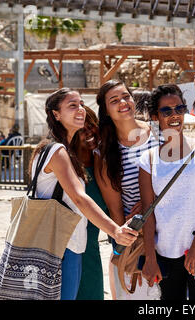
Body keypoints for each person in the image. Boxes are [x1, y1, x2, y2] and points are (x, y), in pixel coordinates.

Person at [28, 88, 138, 300]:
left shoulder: (64, 152)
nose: (79, 109)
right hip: (58, 248)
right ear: (56, 115)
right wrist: (115, 231)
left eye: (80, 104)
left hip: (71, 246)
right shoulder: (56, 151)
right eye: (72, 106)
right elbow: (79, 198)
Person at [139, 84, 195, 300]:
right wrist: (150, 256)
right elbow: (147, 211)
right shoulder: (148, 159)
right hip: (167, 251)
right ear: (155, 116)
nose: (175, 115)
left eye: (179, 109)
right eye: (166, 111)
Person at [94, 80, 161, 300]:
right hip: (139, 235)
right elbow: (115, 211)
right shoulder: (104, 153)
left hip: (170, 227)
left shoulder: (158, 134)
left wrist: (150, 200)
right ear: (105, 111)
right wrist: (128, 245)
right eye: (114, 100)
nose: (123, 102)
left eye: (126, 96)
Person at [74, 106, 106, 300]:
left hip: (91, 257)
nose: (89, 131)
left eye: (91, 124)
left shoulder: (102, 165)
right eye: (81, 128)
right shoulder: (65, 166)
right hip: (63, 257)